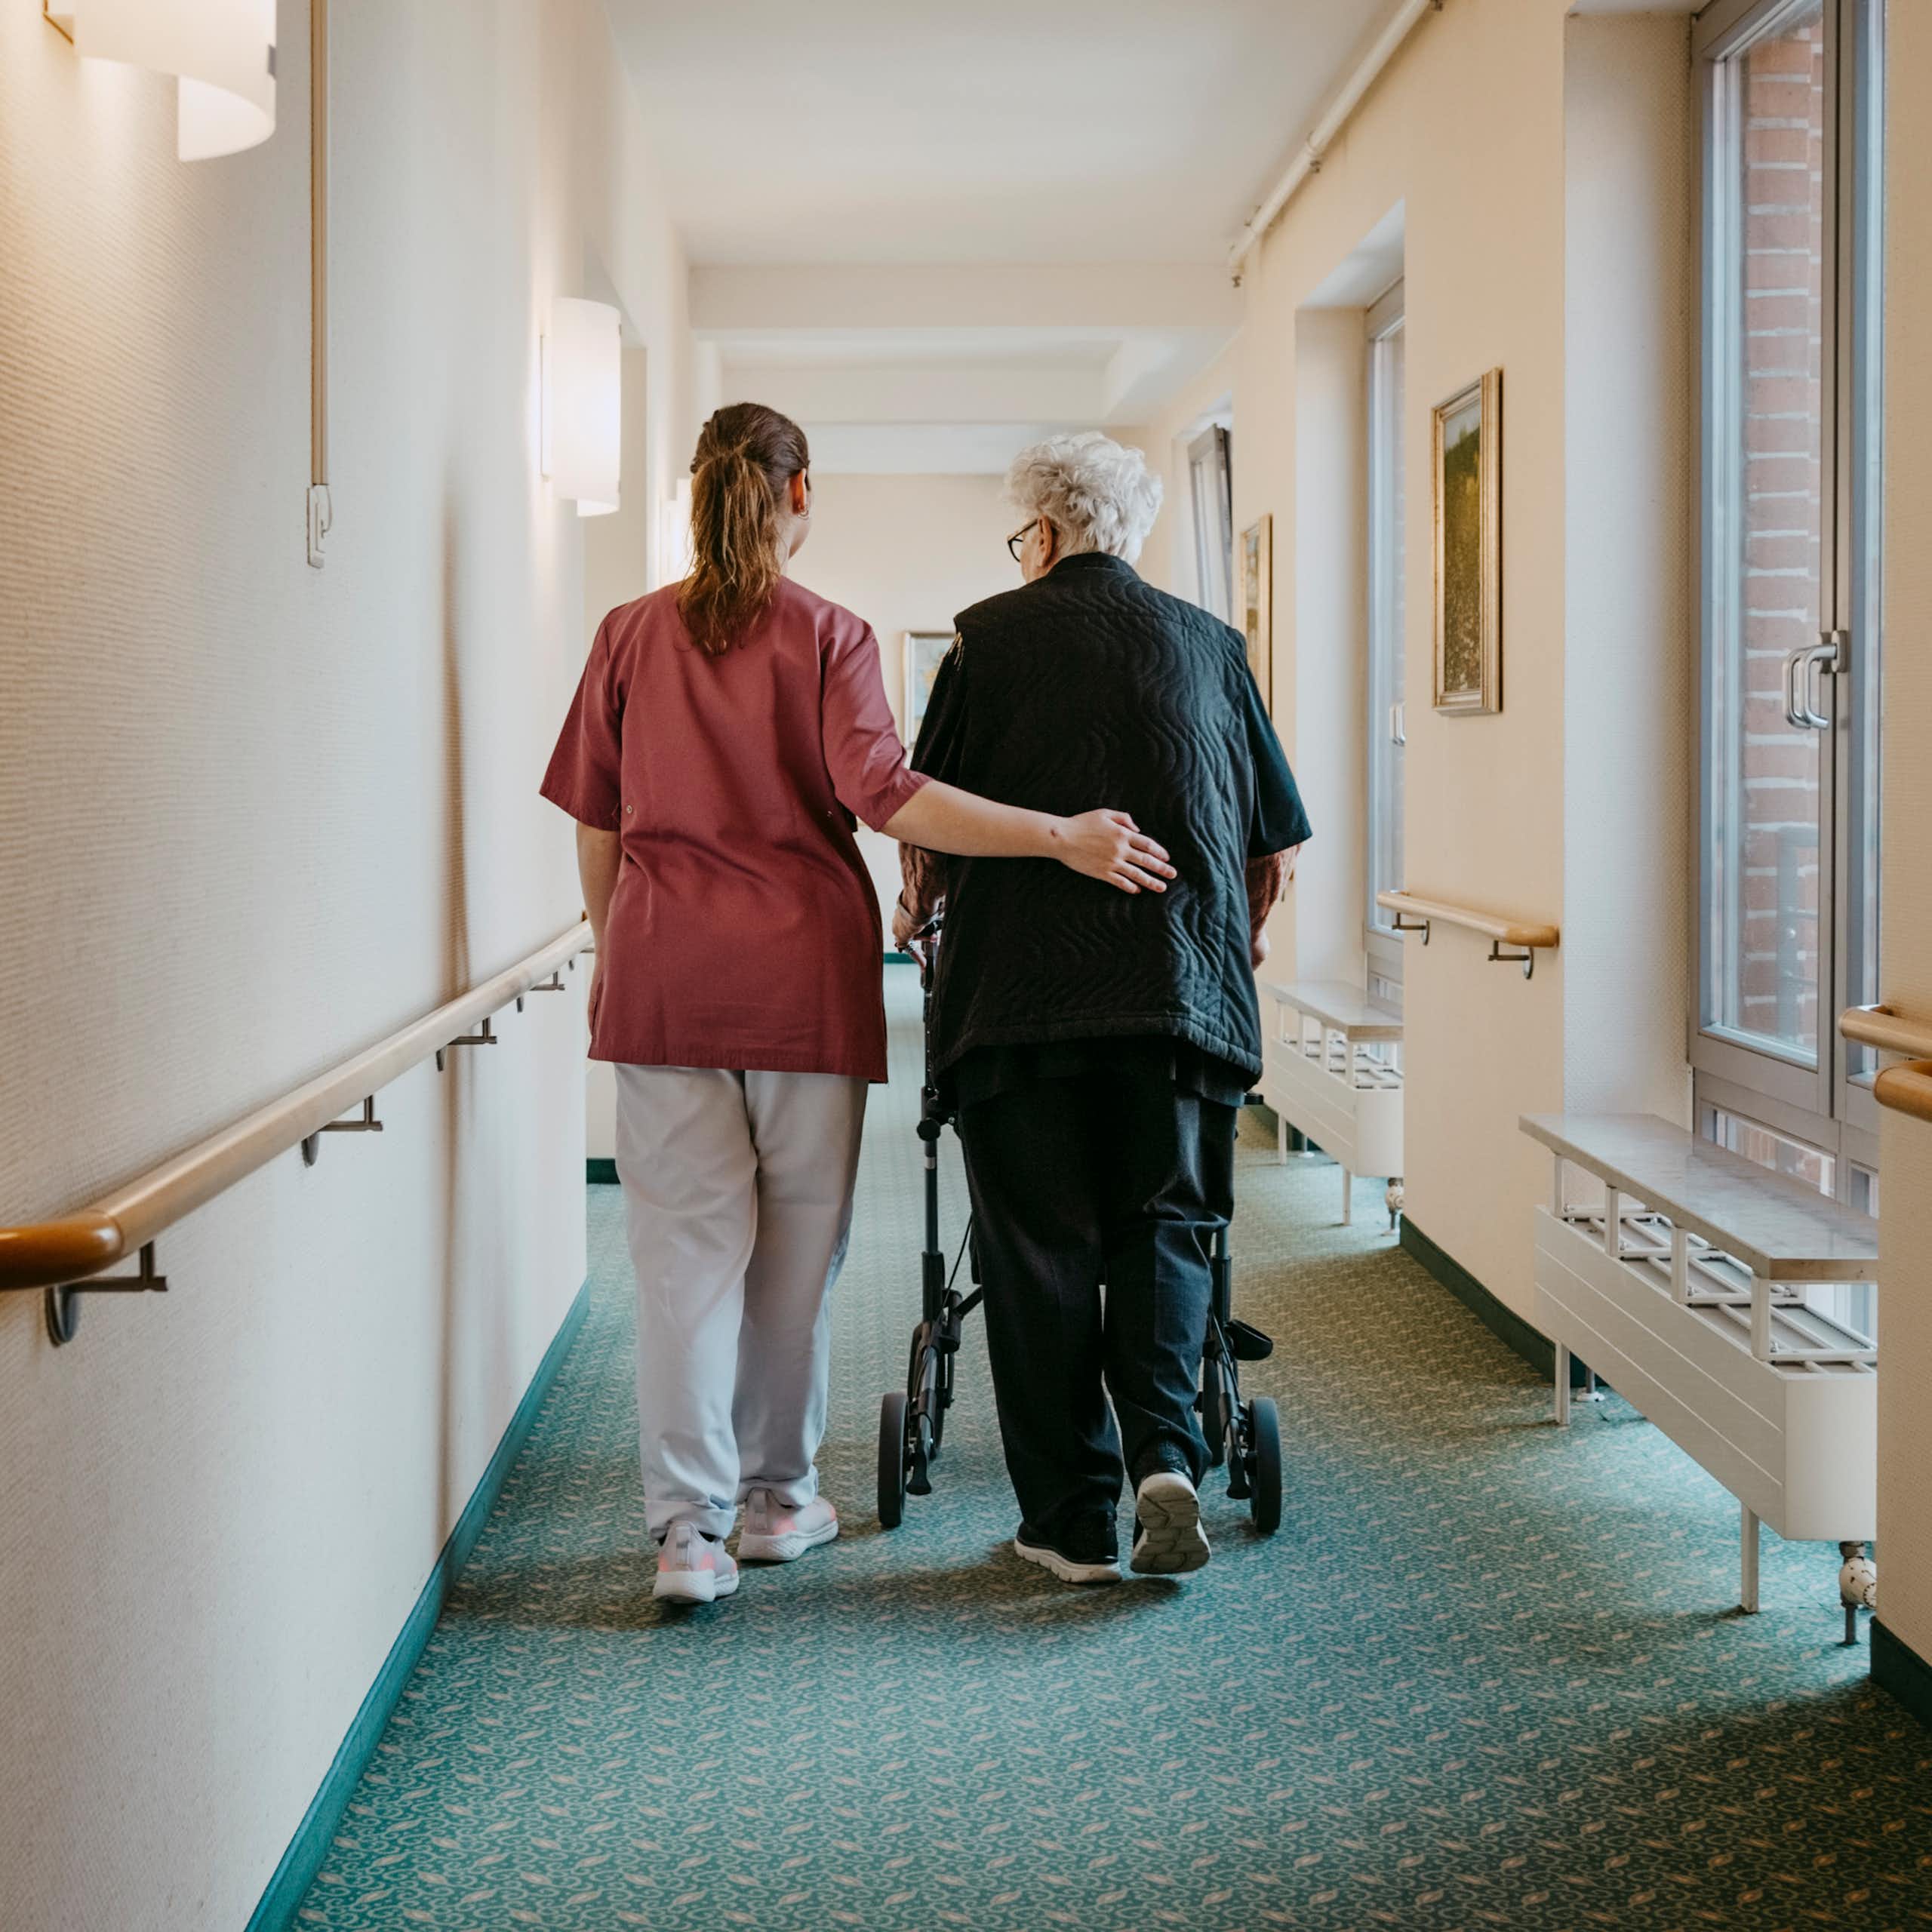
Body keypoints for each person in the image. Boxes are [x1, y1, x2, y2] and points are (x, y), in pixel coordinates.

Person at [540, 403, 1174, 1607]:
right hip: (803, 983)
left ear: (699, 494)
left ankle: (688, 1536)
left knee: (680, 1263)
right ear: (800, 496)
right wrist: (1058, 836)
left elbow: (598, 823)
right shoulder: (829, 633)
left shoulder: (629, 633)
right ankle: (779, 1501)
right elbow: (888, 797)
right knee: (794, 1257)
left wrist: (612, 953)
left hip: (666, 976)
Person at [894, 431, 1309, 1587]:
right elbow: (1274, 846)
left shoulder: (983, 641)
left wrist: (917, 920)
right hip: (1177, 999)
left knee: (1038, 1252)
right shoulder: (1213, 646)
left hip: (1017, 1004)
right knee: (1165, 1226)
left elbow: (922, 823)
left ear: (1040, 531)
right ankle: (1166, 1458)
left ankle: (1070, 1524)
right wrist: (1237, 942)